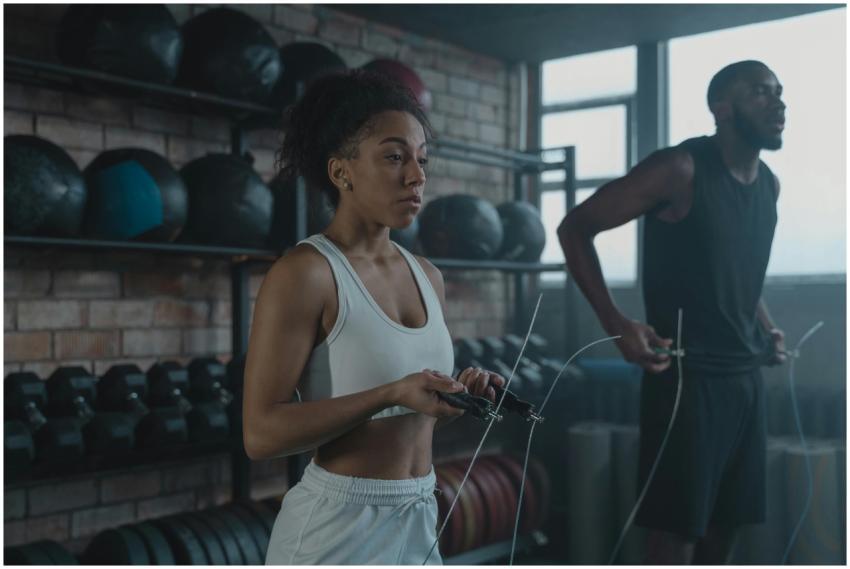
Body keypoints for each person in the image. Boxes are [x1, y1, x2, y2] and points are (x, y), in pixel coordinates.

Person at [242, 70, 505, 565]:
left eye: (421, 159)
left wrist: (453, 402)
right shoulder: (306, 273)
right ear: (341, 172)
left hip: (420, 516)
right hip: (335, 530)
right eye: (393, 157)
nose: (416, 175)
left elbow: (402, 425)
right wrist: (389, 392)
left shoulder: (428, 275)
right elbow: (260, 434)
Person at [558, 60, 788, 564]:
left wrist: (765, 327)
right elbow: (574, 228)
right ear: (722, 109)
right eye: (760, 93)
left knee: (727, 530)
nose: (778, 103)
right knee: (676, 536)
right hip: (686, 381)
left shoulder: (769, 185)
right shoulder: (680, 168)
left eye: (779, 92)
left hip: (745, 379)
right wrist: (616, 324)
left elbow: (736, 270)